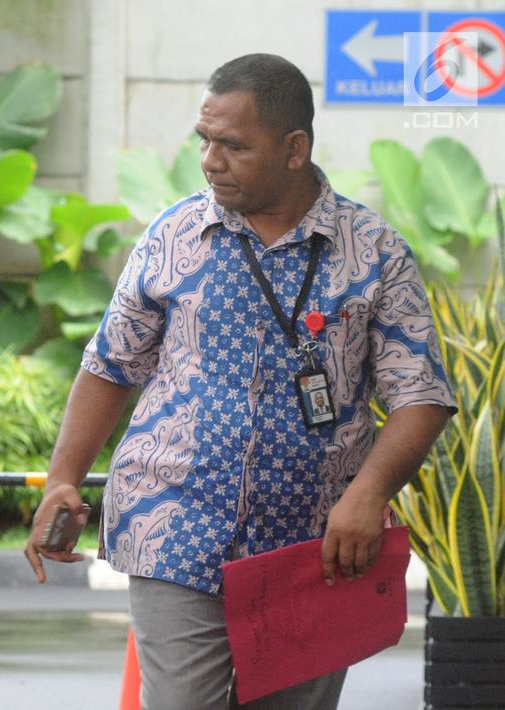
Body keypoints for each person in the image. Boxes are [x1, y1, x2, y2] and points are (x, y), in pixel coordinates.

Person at [24, 53, 454, 710]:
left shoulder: (374, 251)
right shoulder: (174, 235)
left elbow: (418, 393)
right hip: (174, 522)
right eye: (203, 139)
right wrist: (62, 479)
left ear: (293, 149)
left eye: (232, 145)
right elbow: (110, 365)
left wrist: (369, 494)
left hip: (315, 543)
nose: (208, 159)